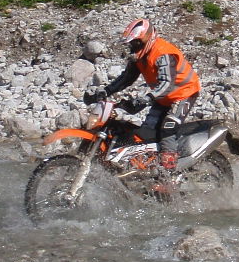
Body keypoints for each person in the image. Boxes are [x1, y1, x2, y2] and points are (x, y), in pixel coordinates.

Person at [84, 18, 201, 190]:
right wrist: (105, 91)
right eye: (132, 43)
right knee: (148, 131)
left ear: (147, 38)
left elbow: (167, 84)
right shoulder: (139, 56)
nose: (134, 46)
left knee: (167, 128)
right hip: (162, 96)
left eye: (136, 42)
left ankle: (168, 177)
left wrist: (147, 98)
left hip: (184, 93)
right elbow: (126, 79)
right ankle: (150, 166)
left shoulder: (162, 53)